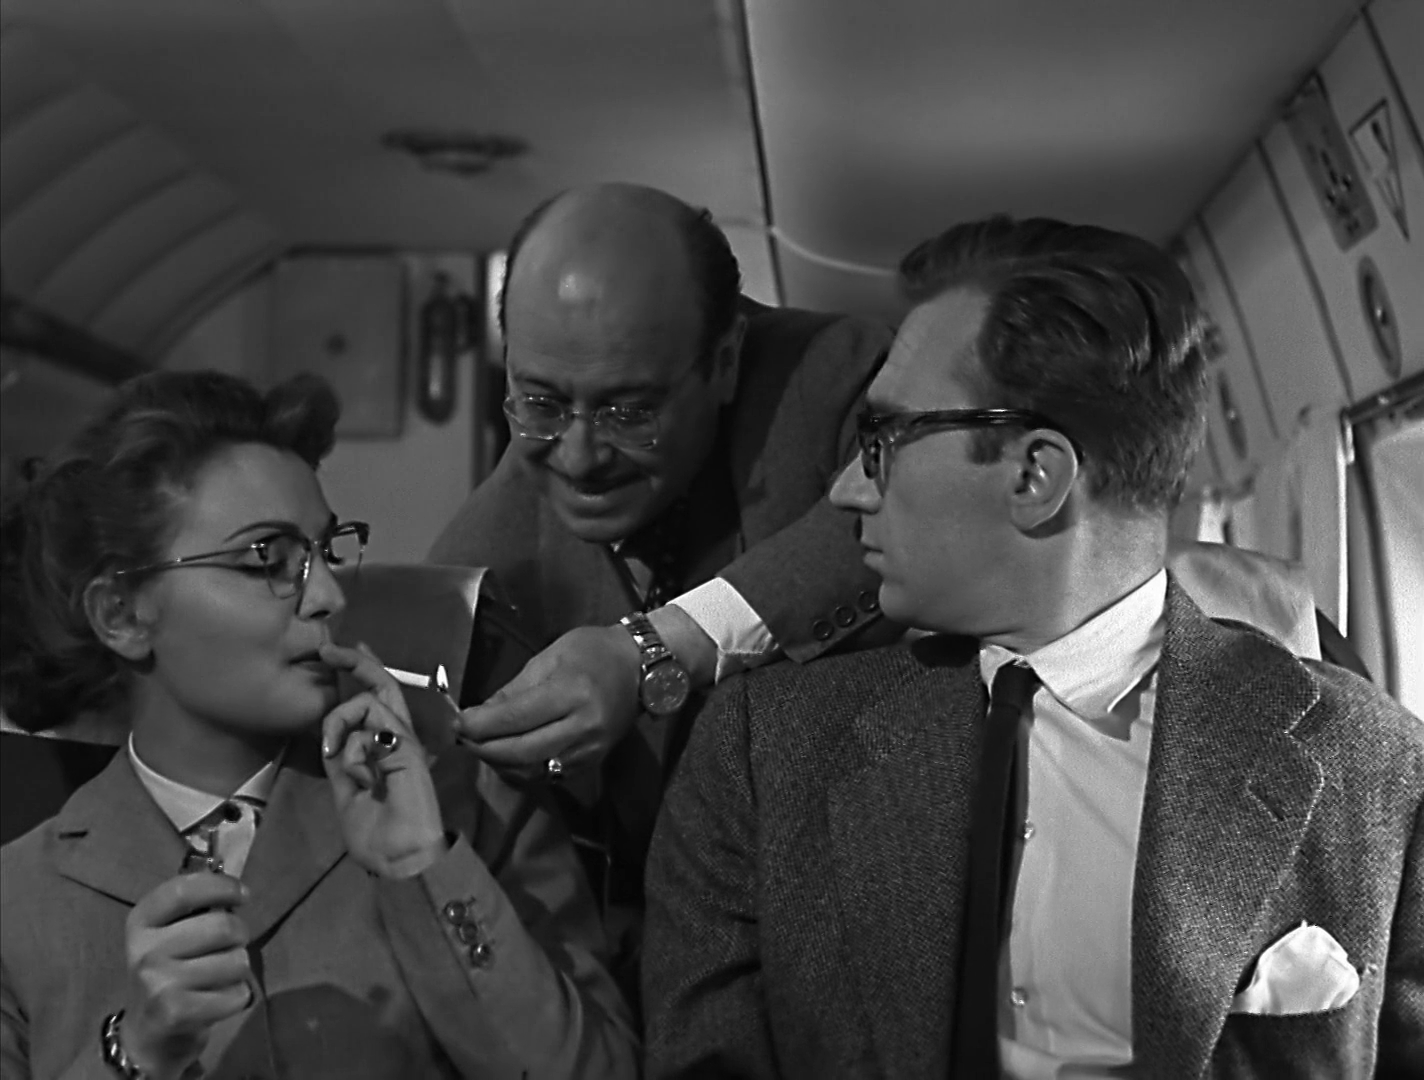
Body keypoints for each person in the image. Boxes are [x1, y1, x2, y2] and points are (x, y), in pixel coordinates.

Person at [641, 215, 1422, 1078]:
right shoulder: (763, 757)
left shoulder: (1373, 766)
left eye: (884, 440)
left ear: (1034, 475)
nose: (847, 489)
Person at [429, 185, 1321, 920]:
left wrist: (656, 647)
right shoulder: (478, 561)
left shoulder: (831, 379)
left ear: (726, 358)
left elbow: (913, 519)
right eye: (539, 403)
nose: (578, 454)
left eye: (630, 411)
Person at [0, 371, 637, 1079]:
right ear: (122, 615)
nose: (329, 596)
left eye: (325, 553)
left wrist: (423, 871)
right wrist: (135, 1053)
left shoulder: (467, 803)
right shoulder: (18, 903)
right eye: (267, 560)